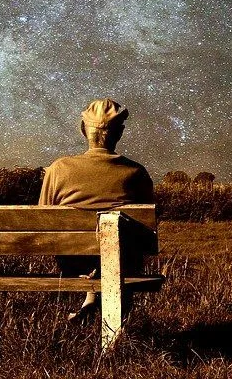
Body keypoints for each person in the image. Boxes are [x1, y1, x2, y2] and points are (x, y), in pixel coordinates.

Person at [39, 98, 154, 322]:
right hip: (123, 261)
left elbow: (43, 219)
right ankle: (115, 322)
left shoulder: (58, 169)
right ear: (119, 133)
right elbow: (146, 230)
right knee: (123, 246)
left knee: (87, 250)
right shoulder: (136, 172)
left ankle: (90, 300)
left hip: (72, 262)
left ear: (83, 130)